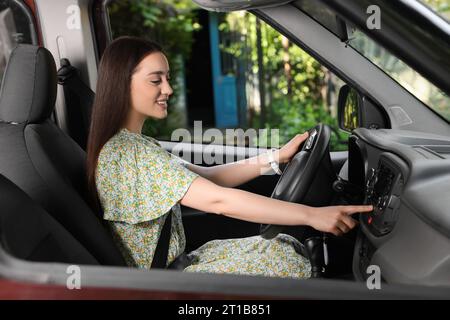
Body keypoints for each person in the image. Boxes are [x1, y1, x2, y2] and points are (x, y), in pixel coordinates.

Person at [86, 36, 372, 279]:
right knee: (291, 264)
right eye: (155, 80)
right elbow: (217, 199)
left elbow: (207, 177)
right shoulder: (130, 154)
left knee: (283, 246)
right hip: (164, 283)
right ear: (123, 84)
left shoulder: (134, 145)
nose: (168, 89)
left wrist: (275, 157)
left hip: (177, 267)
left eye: (168, 78)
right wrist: (313, 216)